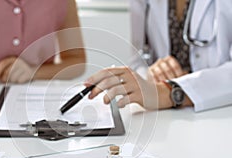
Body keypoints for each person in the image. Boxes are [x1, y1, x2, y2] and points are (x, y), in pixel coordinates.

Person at [85, 0, 232, 112]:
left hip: (219, 112)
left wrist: (169, 92)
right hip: (169, 116)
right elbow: (138, 59)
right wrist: (150, 75)